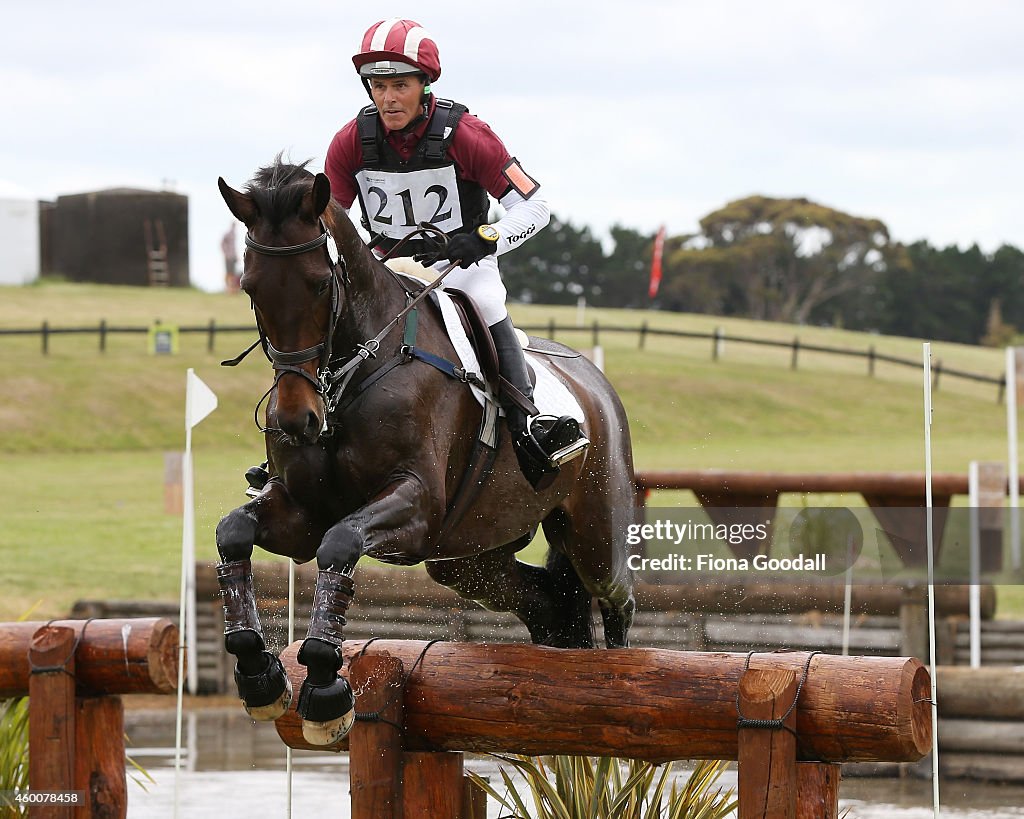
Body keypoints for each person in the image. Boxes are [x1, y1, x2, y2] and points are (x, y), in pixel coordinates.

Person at [324, 18, 586, 487]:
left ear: (425, 85)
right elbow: (330, 218)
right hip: (387, 266)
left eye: (399, 86)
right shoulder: (349, 142)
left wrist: (486, 237)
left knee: (486, 304)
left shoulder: (464, 133)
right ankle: (305, 438)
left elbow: (535, 205)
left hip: (460, 265)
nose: (387, 99)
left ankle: (530, 425)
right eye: (378, 86)